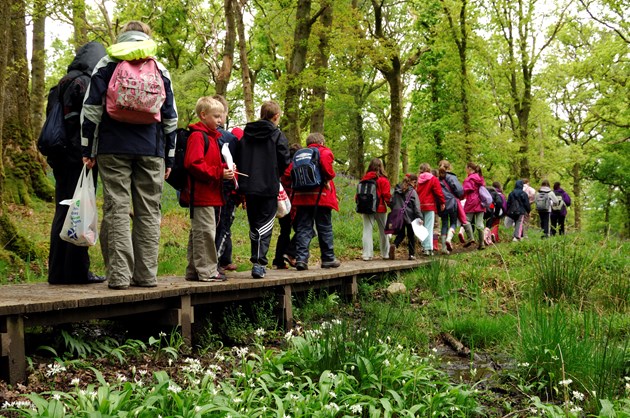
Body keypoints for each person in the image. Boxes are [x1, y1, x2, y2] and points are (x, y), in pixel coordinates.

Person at [81, 21, 178, 290]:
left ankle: (120, 277)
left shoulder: (107, 62)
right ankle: (146, 276)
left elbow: (90, 110)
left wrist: (87, 148)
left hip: (113, 147)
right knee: (149, 212)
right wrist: (169, 157)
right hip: (152, 149)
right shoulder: (159, 67)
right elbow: (170, 117)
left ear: (120, 36)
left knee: (118, 209)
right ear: (148, 37)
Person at [47, 41, 107, 285]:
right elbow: (83, 124)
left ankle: (57, 272)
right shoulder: (85, 84)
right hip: (79, 158)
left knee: (63, 209)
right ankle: (78, 271)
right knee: (81, 211)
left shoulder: (60, 84)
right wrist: (88, 152)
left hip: (59, 157)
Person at [179, 97, 234, 282]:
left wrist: (224, 169)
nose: (221, 120)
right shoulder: (198, 136)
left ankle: (194, 270)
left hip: (211, 194)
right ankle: (208, 271)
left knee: (200, 233)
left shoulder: (212, 137)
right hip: (201, 194)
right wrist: (219, 172)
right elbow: (193, 163)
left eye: (222, 116)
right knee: (205, 233)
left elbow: (208, 163)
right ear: (203, 115)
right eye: (216, 116)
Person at [235, 100, 290, 278]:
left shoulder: (246, 135)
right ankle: (259, 263)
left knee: (254, 223)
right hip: (267, 185)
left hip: (249, 186)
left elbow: (238, 157)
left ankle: (256, 259)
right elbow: (285, 160)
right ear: (276, 117)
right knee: (266, 223)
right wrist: (275, 174)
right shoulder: (277, 135)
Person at [291, 133, 341, 270]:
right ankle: (328, 258)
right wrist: (330, 176)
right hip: (321, 195)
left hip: (302, 196)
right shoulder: (324, 152)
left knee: (303, 228)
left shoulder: (299, 154)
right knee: (324, 227)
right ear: (322, 142)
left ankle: (301, 259)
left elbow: (291, 172)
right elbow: (328, 169)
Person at [211, 95, 239, 273]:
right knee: (223, 225)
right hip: (225, 188)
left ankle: (223, 259)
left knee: (211, 225)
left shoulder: (197, 135)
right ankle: (215, 263)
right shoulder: (229, 138)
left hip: (205, 188)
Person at [272, 143, 301, 269]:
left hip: (282, 203)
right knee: (306, 230)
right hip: (294, 203)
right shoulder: (295, 167)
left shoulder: (281, 167)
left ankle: (278, 261)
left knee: (285, 231)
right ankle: (290, 253)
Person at [359, 158, 392, 261]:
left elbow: (358, 195)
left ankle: (367, 255)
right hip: (380, 208)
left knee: (367, 230)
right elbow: (386, 195)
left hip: (366, 208)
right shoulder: (383, 180)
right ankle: (385, 254)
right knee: (384, 231)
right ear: (381, 167)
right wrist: (392, 205)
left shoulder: (364, 179)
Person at [437, 160, 467, 254]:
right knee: (453, 222)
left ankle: (443, 248)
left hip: (441, 204)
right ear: (449, 167)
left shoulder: (437, 178)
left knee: (444, 223)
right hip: (452, 202)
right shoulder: (451, 177)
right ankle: (449, 239)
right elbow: (459, 190)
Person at [389, 174, 422, 260]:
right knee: (411, 235)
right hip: (410, 217)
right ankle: (411, 255)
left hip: (398, 215)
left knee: (401, 233)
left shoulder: (396, 190)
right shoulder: (413, 192)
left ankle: (394, 245)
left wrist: (395, 210)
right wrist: (419, 217)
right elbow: (416, 206)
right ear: (413, 182)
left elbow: (391, 202)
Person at [416, 163, 445, 256]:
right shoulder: (433, 179)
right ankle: (428, 248)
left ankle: (424, 247)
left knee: (421, 227)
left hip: (419, 206)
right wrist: (442, 202)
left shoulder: (417, 180)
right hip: (430, 206)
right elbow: (438, 191)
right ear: (429, 169)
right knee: (429, 227)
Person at [462, 162, 487, 250]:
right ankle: (482, 243)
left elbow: (465, 191)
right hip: (481, 201)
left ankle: (470, 238)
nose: (466, 170)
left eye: (466, 168)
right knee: (480, 224)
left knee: (466, 220)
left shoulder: (469, 179)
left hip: (471, 201)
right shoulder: (480, 177)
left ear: (469, 168)